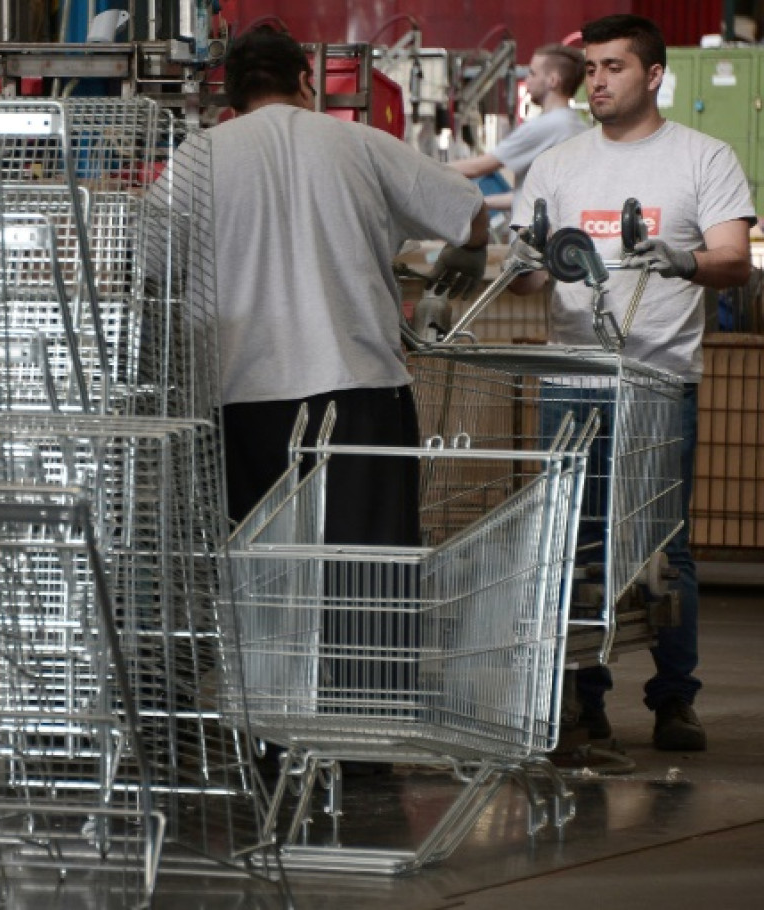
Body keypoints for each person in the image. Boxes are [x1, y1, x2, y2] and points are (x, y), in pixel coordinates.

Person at [509, 14, 756, 752]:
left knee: (662, 545)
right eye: (590, 68)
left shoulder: (703, 157)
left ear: (654, 76)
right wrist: (527, 265)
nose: (599, 81)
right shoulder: (558, 163)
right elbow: (521, 277)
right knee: (574, 544)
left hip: (659, 381)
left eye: (614, 67)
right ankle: (586, 702)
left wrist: (683, 260)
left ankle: (673, 700)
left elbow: (735, 259)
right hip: (572, 380)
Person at [167, 26, 489, 535]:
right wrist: (470, 250)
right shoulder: (357, 141)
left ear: (231, 95)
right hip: (357, 391)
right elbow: (469, 211)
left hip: (239, 398)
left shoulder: (193, 159)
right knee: (363, 588)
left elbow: (142, 264)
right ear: (304, 80)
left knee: (261, 586)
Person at [450, 43, 589, 211]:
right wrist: (482, 203)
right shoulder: (577, 125)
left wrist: (425, 169)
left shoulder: (546, 126)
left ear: (553, 80)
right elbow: (530, 197)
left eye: (532, 73)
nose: (527, 80)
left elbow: (478, 167)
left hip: (537, 236)